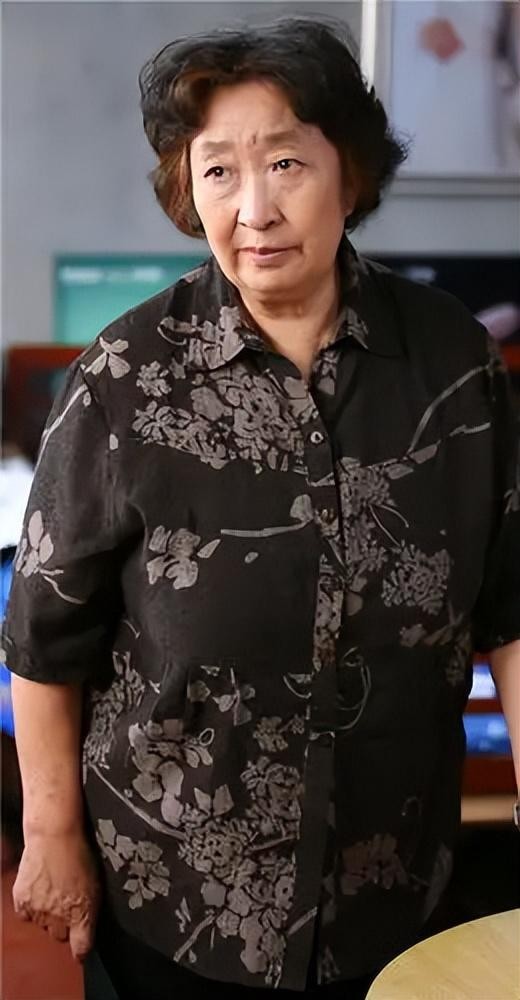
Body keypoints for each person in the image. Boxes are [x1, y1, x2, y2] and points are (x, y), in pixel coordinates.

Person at [2, 16, 519, 1000]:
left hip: (393, 884)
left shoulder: (454, 365)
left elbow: (511, 604)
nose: (254, 208)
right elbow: (44, 636)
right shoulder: (125, 378)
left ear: (348, 175)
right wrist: (49, 832)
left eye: (285, 162)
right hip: (172, 897)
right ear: (187, 193)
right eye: (218, 172)